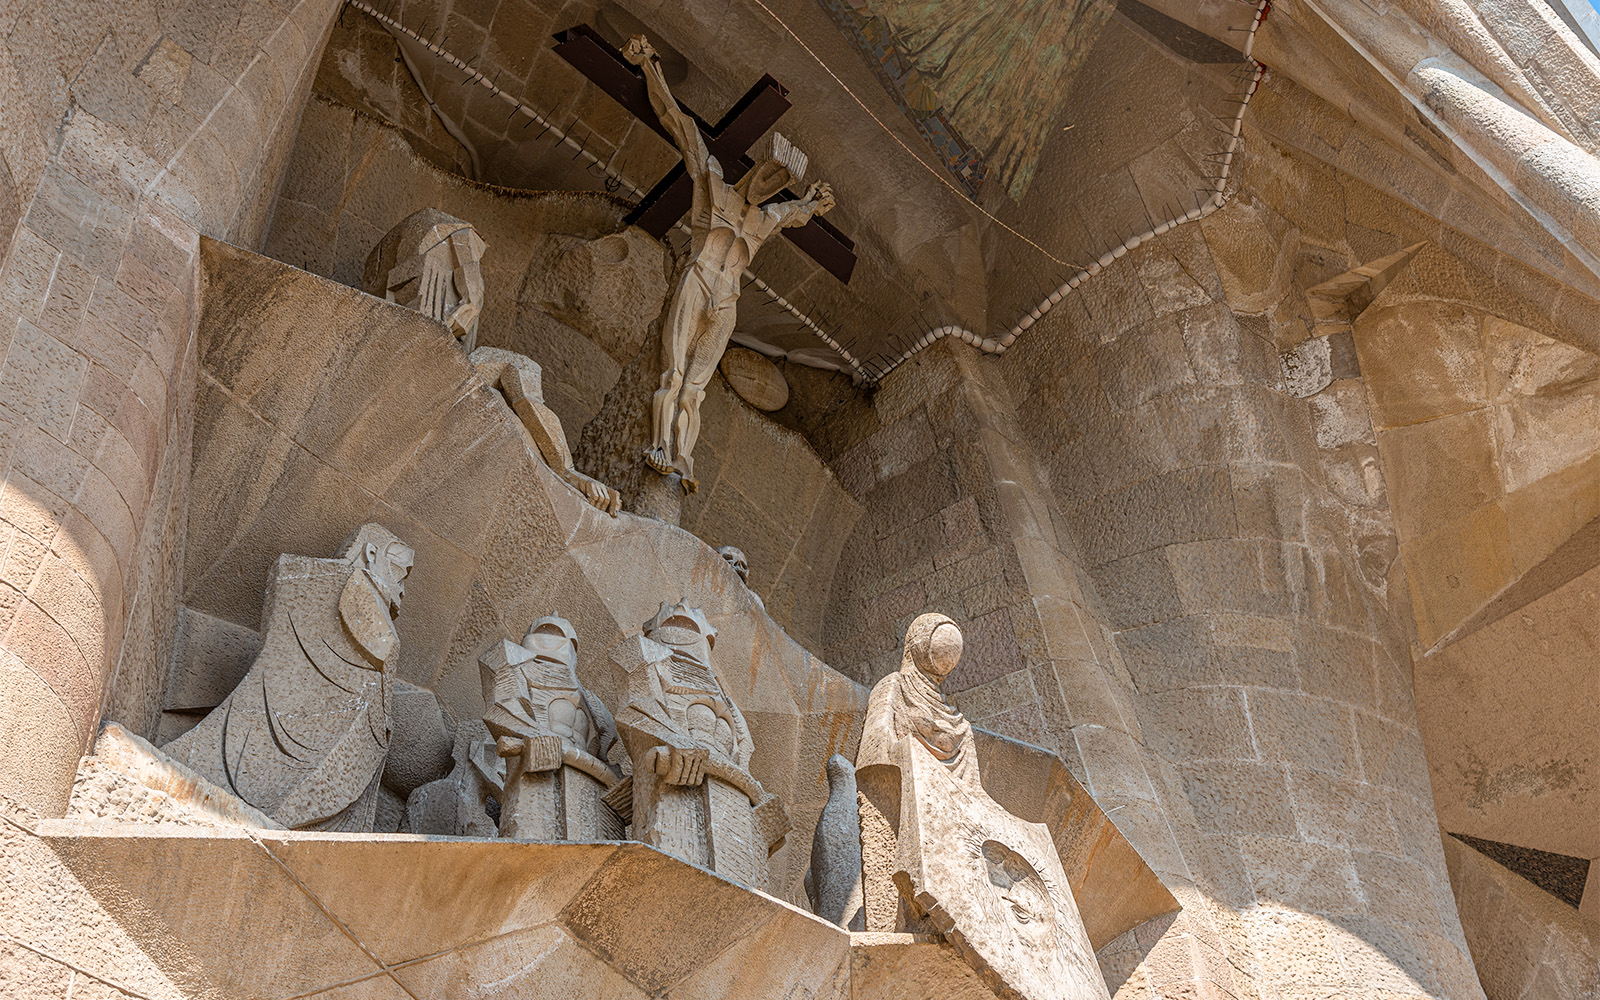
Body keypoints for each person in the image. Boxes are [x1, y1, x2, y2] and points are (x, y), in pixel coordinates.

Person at [623, 34, 835, 492]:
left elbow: (796, 214)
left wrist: (815, 203)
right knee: (672, 374)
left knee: (695, 391)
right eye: (770, 173)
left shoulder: (765, 218)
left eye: (779, 181)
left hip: (726, 303)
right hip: (696, 282)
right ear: (756, 170)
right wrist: (650, 67)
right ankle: (657, 444)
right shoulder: (714, 185)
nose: (771, 183)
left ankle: (683, 459)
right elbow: (677, 123)